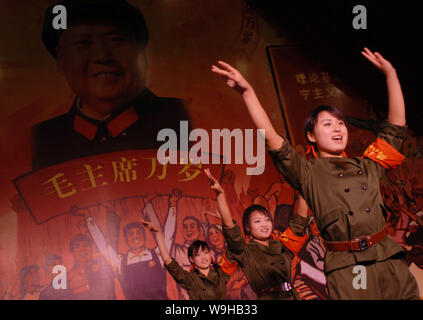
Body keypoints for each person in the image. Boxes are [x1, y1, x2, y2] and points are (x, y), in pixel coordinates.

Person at [211, 48, 420, 299]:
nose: (338, 128)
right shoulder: (307, 173)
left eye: (341, 123)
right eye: (327, 124)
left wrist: (391, 75)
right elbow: (272, 138)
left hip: (389, 259)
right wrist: (247, 92)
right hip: (349, 269)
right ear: (311, 136)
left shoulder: (367, 165)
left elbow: (395, 130)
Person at [33, 0, 190, 169]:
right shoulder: (41, 139)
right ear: (60, 60)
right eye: (83, 43)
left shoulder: (185, 120)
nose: (103, 56)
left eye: (116, 40)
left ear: (142, 54)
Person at [204, 168, 309, 300]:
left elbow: (299, 222)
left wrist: (304, 186)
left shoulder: (281, 245)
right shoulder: (245, 251)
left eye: (267, 220)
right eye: (257, 221)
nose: (264, 224)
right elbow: (230, 228)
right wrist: (220, 194)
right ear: (248, 227)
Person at [141, 218, 230, 300]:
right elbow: (168, 261)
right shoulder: (189, 279)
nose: (203, 257)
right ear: (192, 259)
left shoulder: (220, 273)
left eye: (205, 252)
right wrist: (158, 233)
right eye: (198, 254)